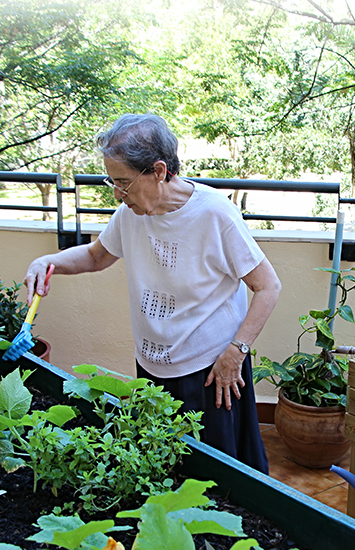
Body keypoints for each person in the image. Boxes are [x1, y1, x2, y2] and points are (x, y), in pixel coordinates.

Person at [23, 113, 281, 473]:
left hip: (211, 369)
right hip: (154, 365)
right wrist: (47, 261)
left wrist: (235, 352)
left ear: (159, 171)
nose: (117, 193)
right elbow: (96, 256)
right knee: (162, 467)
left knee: (219, 479)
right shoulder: (131, 213)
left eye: (123, 183)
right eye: (111, 182)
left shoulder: (214, 215)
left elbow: (268, 286)